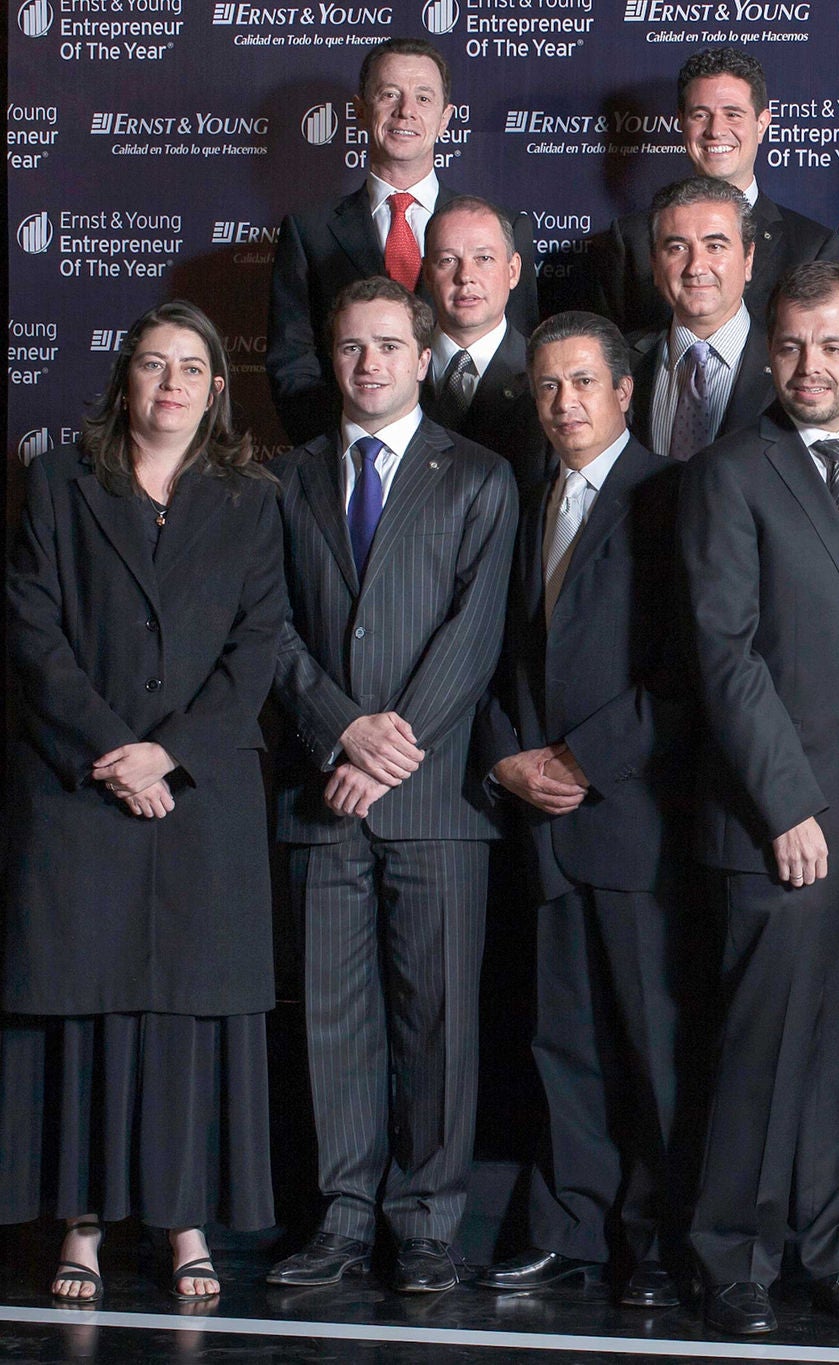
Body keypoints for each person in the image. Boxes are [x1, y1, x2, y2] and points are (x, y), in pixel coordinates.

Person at [681, 263, 839, 1337]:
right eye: (789, 346)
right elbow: (724, 654)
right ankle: (732, 1259)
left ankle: (829, 1246)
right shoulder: (728, 472)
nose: (809, 367)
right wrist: (786, 804)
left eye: (831, 346)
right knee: (763, 1049)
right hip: (776, 817)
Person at [2, 301, 284, 1304]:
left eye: (191, 369)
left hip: (200, 796)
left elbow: (258, 645)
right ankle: (79, 1227)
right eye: (154, 365)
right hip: (80, 789)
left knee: (187, 1014)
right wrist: (112, 755)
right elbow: (31, 630)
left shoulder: (252, 501)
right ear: (124, 381)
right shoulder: (59, 483)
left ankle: (184, 1222)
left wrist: (170, 754)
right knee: (89, 1006)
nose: (171, 384)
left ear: (217, 391)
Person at [266, 275, 518, 1294]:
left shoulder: (481, 476)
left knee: (437, 1023)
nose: (367, 364)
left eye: (386, 345)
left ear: (423, 357)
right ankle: (340, 1216)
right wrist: (341, 729)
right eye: (349, 347)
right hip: (320, 794)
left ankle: (426, 1224)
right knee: (331, 1021)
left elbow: (474, 634)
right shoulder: (286, 477)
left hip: (434, 800)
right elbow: (269, 626)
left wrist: (387, 751)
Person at [472, 313, 690, 1309]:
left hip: (633, 815)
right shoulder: (526, 498)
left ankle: (657, 1240)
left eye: (583, 383)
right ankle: (568, 1227)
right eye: (548, 386)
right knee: (560, 1041)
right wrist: (508, 759)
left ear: (624, 392)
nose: (564, 404)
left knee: (651, 1044)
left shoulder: (672, 495)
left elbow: (690, 667)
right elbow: (499, 654)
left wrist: (584, 759)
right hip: (543, 816)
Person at [268, 38, 539, 445]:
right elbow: (293, 366)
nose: (406, 111)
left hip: (491, 457)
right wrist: (352, 448)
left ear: (445, 118)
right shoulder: (308, 232)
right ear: (360, 110)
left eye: (423, 98)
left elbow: (521, 357)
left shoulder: (503, 228)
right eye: (389, 95)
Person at [592, 47, 839, 332]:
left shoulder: (812, 248)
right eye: (700, 115)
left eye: (732, 114)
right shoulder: (631, 240)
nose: (715, 130)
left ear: (762, 124)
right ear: (681, 122)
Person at [627, 178, 776, 461]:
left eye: (715, 246)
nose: (696, 267)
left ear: (748, 259)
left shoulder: (790, 365)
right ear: (655, 265)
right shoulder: (620, 362)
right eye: (677, 248)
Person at [421, 195, 549, 496]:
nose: (465, 276)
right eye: (448, 260)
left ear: (513, 270)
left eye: (484, 259)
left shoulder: (545, 377)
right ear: (426, 274)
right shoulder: (388, 371)